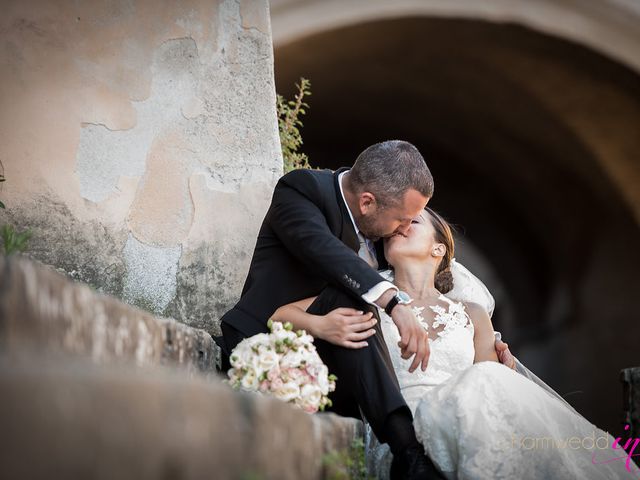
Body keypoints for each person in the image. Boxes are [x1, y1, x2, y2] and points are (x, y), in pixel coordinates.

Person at [219, 140, 513, 479]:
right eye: (403, 220)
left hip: (348, 373)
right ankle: (407, 450)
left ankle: (408, 448)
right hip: (273, 344)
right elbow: (325, 251)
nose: (404, 228)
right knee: (355, 294)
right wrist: (392, 304)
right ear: (367, 202)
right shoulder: (302, 191)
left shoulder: (381, 228)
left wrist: (489, 349)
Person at [273, 207, 640, 479]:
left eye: (412, 222)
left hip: (465, 420)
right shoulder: (363, 296)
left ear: (437, 249)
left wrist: (506, 373)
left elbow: (489, 392)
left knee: (488, 381)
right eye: (394, 226)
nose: (398, 227)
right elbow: (279, 314)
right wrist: (323, 325)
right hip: (398, 429)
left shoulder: (472, 313)